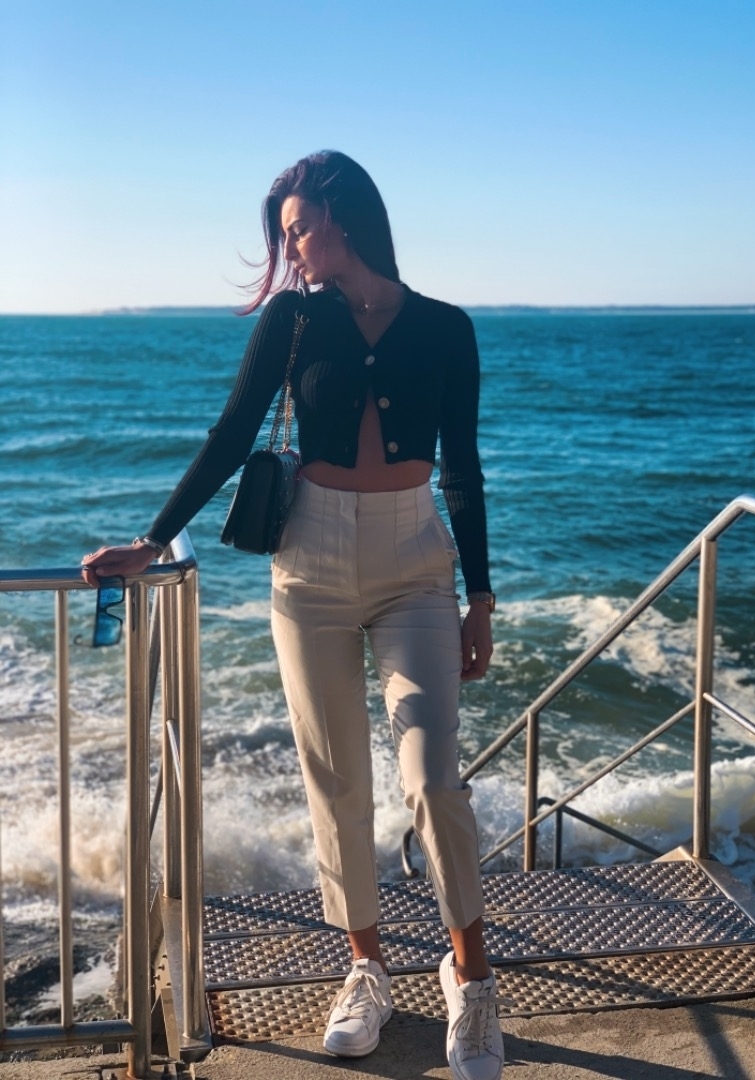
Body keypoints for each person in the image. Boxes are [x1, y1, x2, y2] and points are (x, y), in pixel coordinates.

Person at [81, 150, 503, 1080]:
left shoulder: (445, 327)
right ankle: (366, 969)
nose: (291, 248)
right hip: (309, 565)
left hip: (414, 563)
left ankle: (471, 979)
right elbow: (233, 432)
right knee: (335, 778)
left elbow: (464, 468)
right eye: (286, 234)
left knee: (432, 776)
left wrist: (480, 596)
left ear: (345, 220)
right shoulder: (294, 319)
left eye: (299, 228)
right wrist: (154, 540)